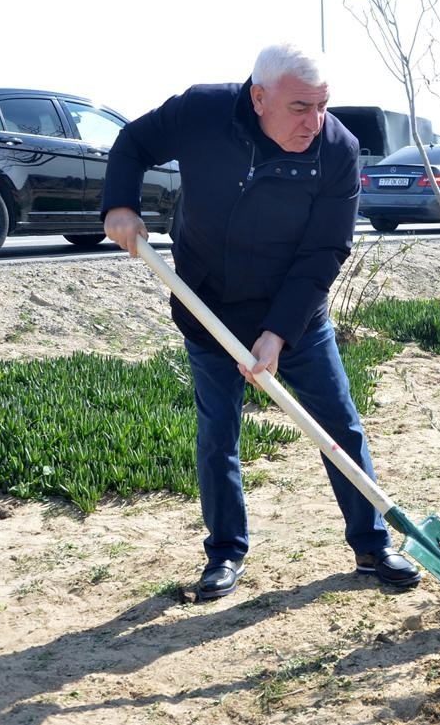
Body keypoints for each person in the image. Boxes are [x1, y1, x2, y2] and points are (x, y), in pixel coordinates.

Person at [101, 43, 420, 600]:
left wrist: (278, 334)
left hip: (295, 315)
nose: (314, 122)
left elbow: (325, 252)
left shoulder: (337, 151)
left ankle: (373, 544)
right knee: (218, 434)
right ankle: (225, 552)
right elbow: (133, 143)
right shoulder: (202, 112)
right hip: (208, 308)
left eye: (322, 105)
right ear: (258, 98)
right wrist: (119, 206)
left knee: (338, 425)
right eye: (300, 107)